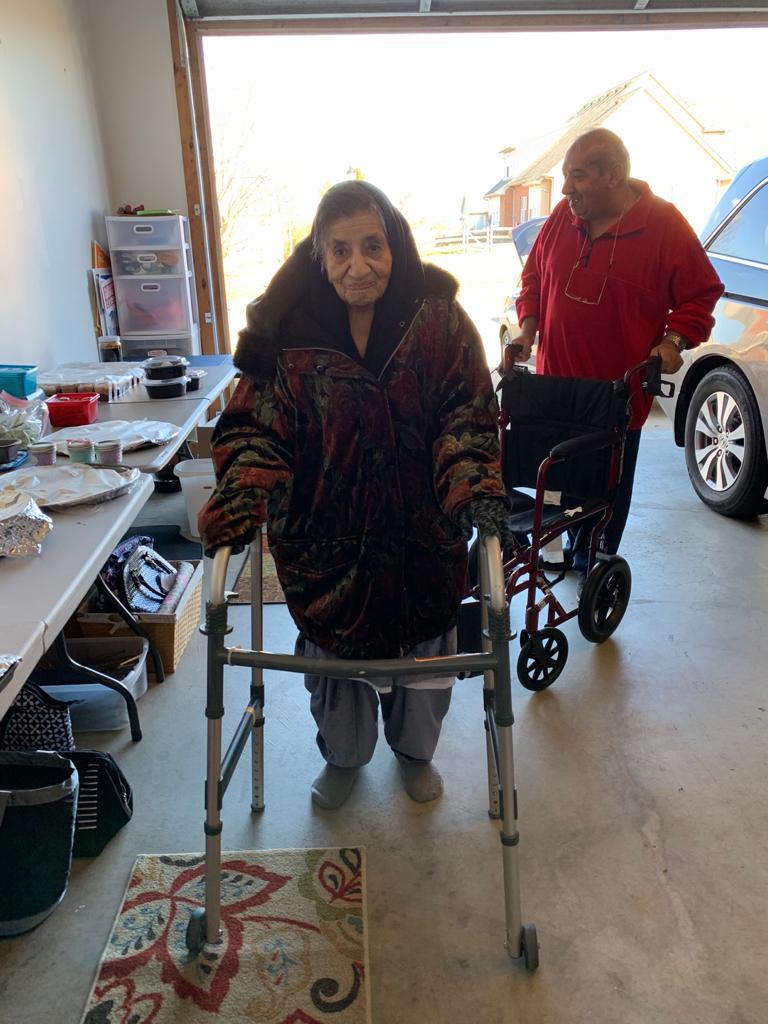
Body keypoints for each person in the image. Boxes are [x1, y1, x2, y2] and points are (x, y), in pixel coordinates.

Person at [199, 180, 512, 810]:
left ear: (396, 244)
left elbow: (467, 418)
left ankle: (415, 755)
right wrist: (244, 493)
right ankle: (343, 758)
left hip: (422, 539)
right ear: (319, 254)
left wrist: (474, 487)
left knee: (427, 665)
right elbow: (256, 431)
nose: (358, 266)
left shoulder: (439, 322)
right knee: (333, 673)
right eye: (340, 250)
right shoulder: (286, 335)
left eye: (373, 246)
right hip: (325, 549)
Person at [510, 128, 723, 584]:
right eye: (565, 177)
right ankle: (565, 548)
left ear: (614, 175)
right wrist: (527, 330)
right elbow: (533, 280)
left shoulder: (664, 224)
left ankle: (594, 568)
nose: (565, 190)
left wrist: (674, 341)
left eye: (577, 177)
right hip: (557, 392)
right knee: (558, 484)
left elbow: (701, 293)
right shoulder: (562, 218)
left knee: (605, 496)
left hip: (616, 399)